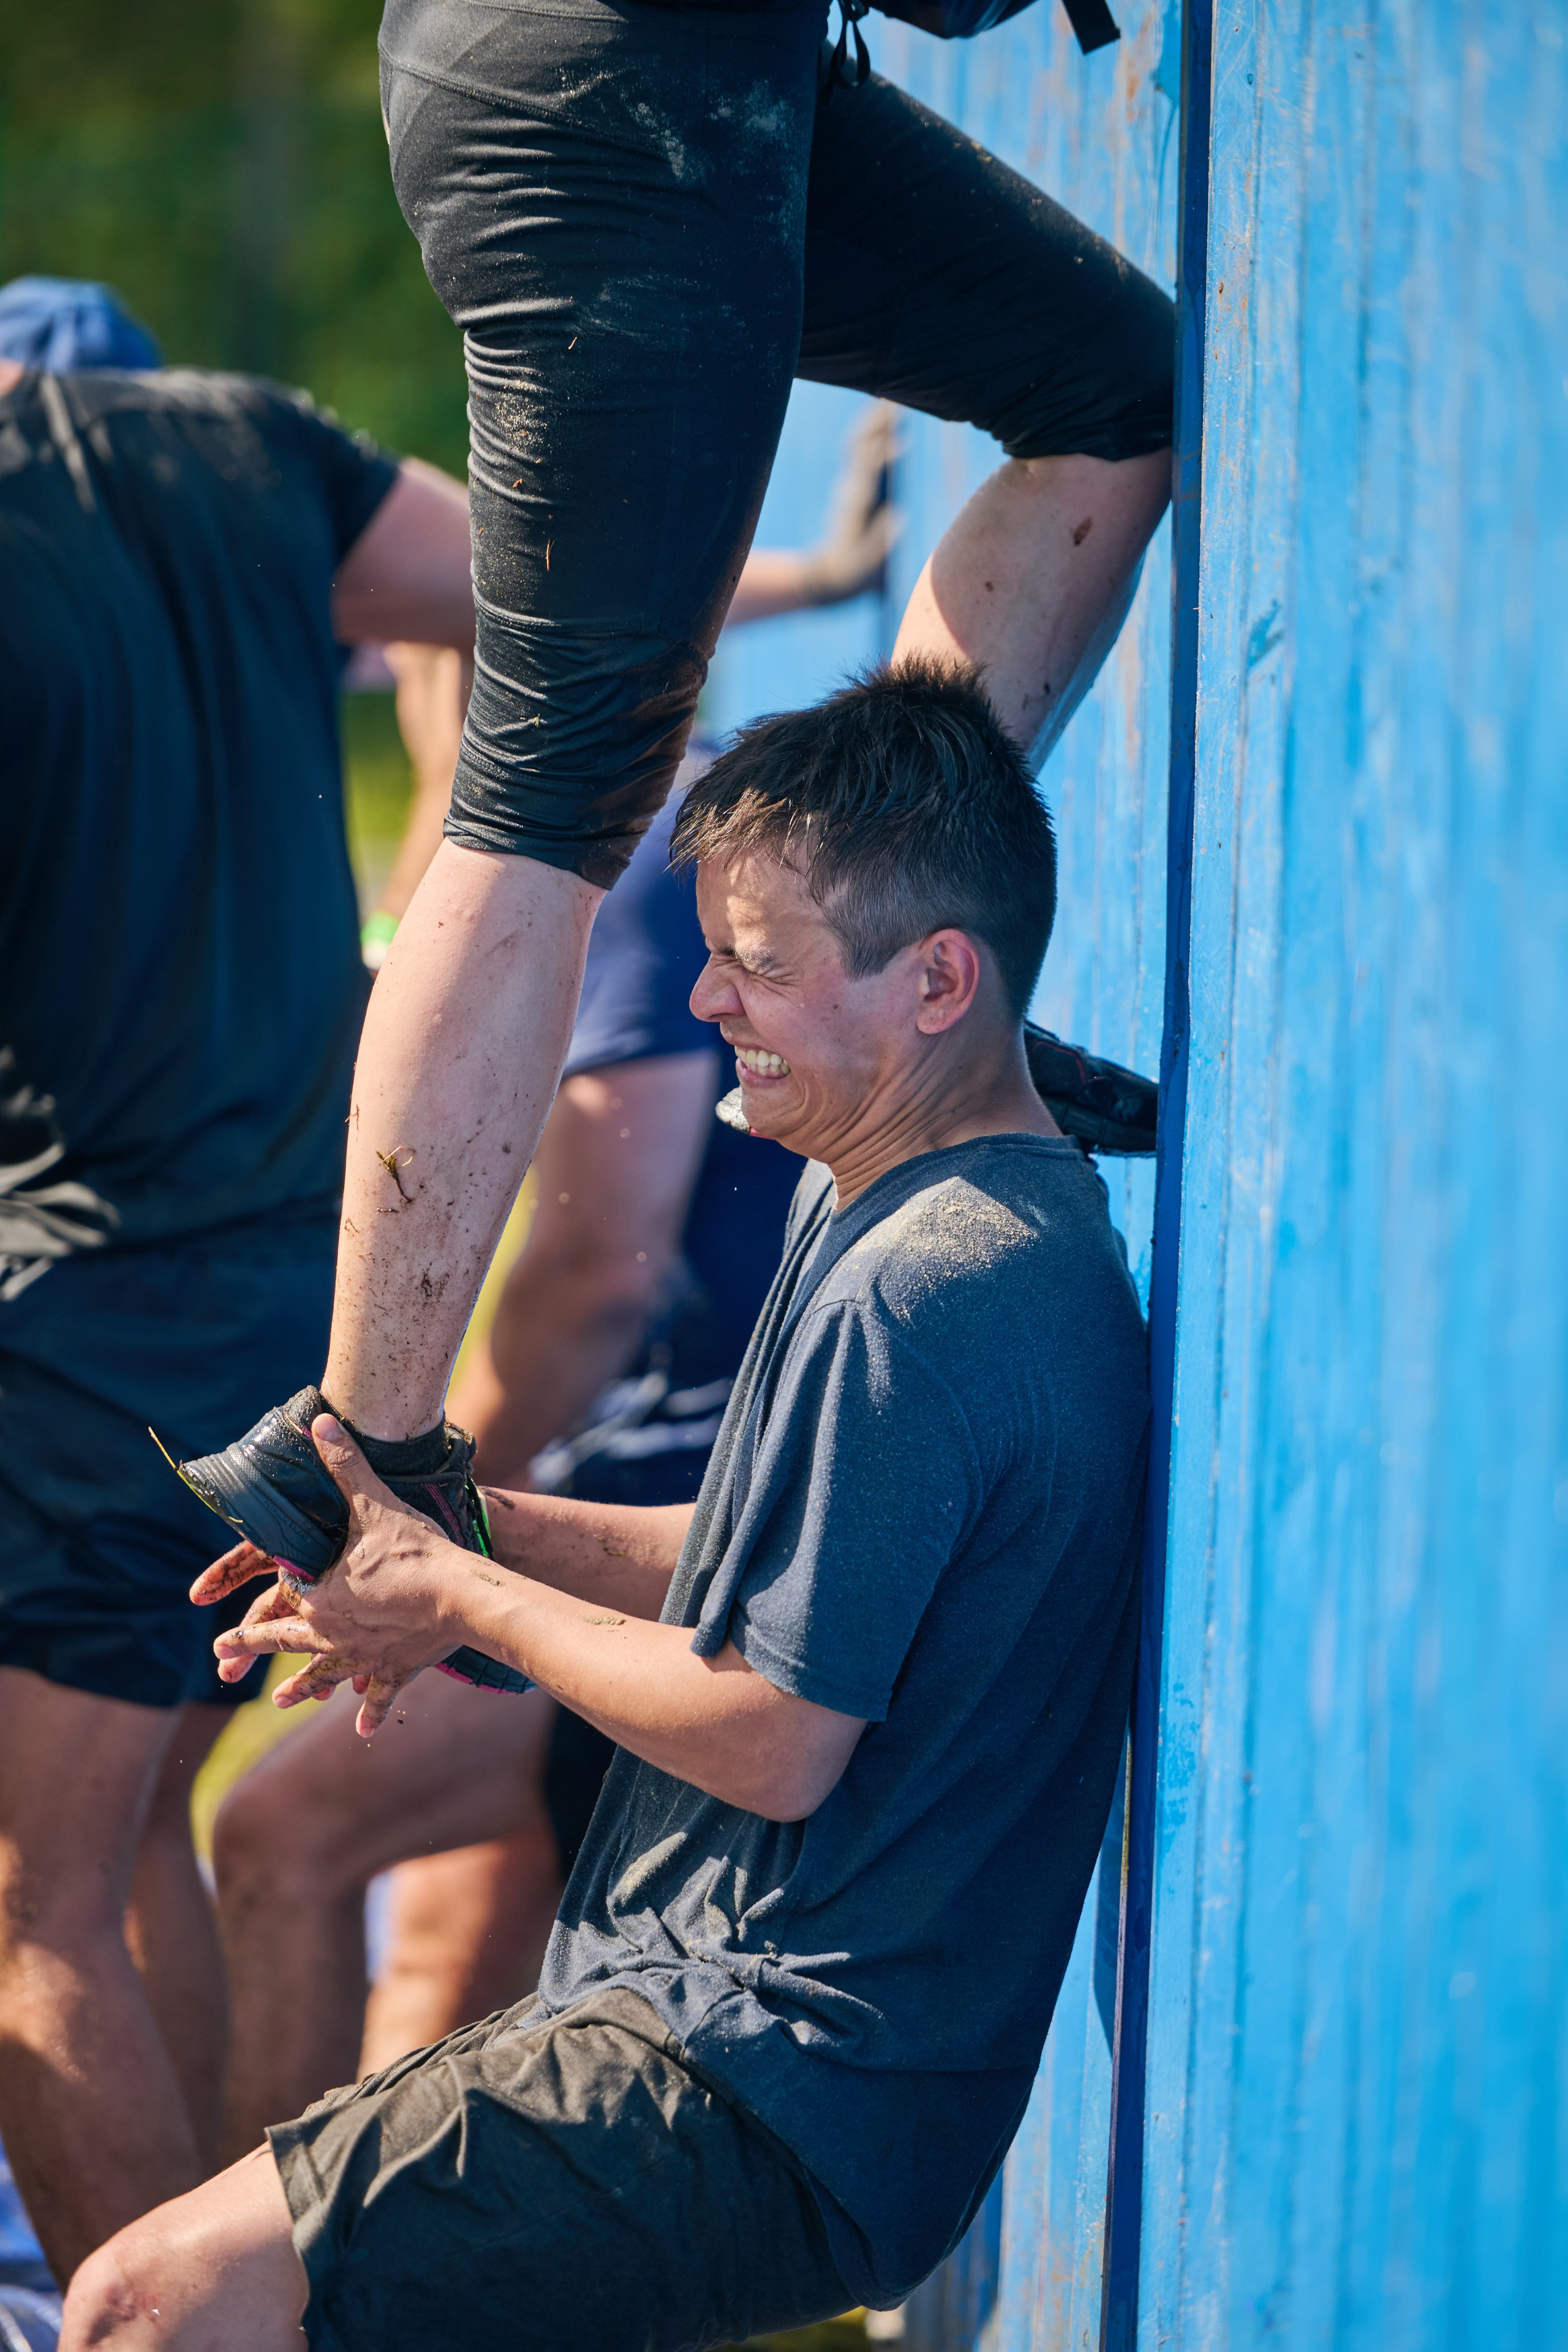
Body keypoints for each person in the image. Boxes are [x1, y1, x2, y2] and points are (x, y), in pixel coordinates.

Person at [64, 662, 1151, 2352]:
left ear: (940, 978)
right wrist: (444, 1533)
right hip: (729, 2038)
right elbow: (756, 1566)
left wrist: (463, 1605)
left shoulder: (927, 1287)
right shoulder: (921, 1207)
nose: (709, 997)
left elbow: (778, 1732)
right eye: (712, 949)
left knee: (150, 2303)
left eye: (760, 966)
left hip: (772, 2085)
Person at [183, 0, 1175, 1603]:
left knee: (1118, 390)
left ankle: (896, 945)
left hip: (672, 69)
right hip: (619, 81)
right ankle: (363, 1456)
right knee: (551, 790)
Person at [0, 277, 476, 2287]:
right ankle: (206, 2294)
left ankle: (164, 2335)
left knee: (31, 1917)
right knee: (118, 1857)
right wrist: (469, 891)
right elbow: (555, 591)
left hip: (103, 1308)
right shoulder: (245, 439)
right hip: (317, 1282)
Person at [210, 775, 802, 2156]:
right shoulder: (687, 824)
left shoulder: (649, 842)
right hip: (705, 1502)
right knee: (447, 1918)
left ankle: (263, 2291)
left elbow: (601, 1263)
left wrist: (405, 1521)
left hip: (689, 1522)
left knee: (279, 1839)